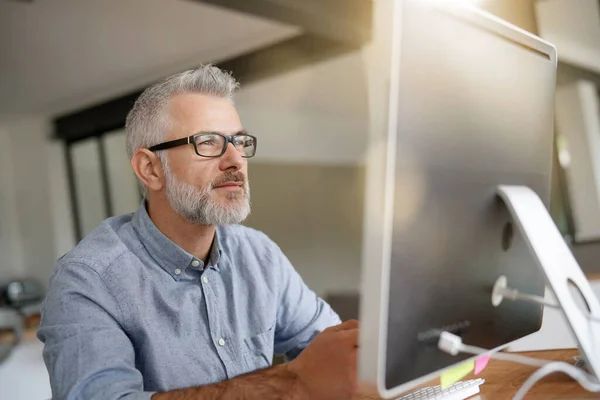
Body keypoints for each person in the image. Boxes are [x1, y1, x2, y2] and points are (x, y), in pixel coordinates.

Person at [37, 65, 361, 400]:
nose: (235, 159)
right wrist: (290, 382)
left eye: (239, 141)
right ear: (150, 169)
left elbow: (334, 352)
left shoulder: (258, 254)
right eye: (208, 142)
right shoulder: (87, 280)